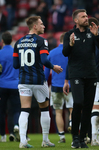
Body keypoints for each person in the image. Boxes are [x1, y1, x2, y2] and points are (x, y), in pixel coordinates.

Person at [13, 16, 63, 148]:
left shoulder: (18, 42)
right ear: (34, 26)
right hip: (38, 80)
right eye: (41, 24)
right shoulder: (42, 41)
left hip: (23, 80)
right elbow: (45, 60)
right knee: (44, 110)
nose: (44, 26)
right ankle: (45, 140)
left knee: (24, 110)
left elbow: (15, 65)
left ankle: (23, 141)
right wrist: (54, 67)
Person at [62, 9, 99, 148]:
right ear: (76, 20)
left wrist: (97, 36)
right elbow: (65, 53)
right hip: (76, 74)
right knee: (79, 103)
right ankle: (75, 136)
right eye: (83, 17)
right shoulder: (69, 34)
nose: (86, 18)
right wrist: (70, 45)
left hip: (91, 74)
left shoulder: (92, 33)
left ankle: (82, 138)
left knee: (88, 107)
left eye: (87, 16)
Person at [44, 32, 73, 143]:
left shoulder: (51, 53)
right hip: (70, 85)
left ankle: (61, 136)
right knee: (72, 109)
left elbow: (46, 73)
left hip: (56, 86)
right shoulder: (71, 52)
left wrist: (45, 84)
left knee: (58, 112)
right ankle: (71, 124)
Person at [0, 31, 20, 142]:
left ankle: (3, 136)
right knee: (16, 109)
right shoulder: (16, 53)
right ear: (12, 40)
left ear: (2, 41)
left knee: (2, 111)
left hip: (2, 85)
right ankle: (16, 125)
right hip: (15, 85)